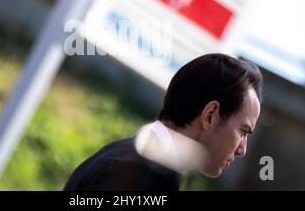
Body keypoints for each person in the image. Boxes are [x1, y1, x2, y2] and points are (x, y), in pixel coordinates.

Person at [63, 53, 263, 191]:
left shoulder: (132, 161)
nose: (242, 150)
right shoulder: (138, 175)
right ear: (210, 115)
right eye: (243, 131)